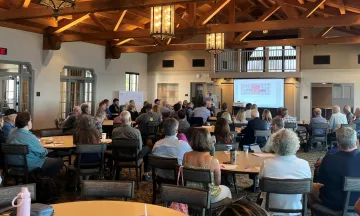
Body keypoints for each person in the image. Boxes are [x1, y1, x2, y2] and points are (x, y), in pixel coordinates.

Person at [259, 130, 311, 215]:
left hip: (270, 211)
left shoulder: (266, 163)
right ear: (296, 145)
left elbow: (261, 186)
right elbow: (306, 190)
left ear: (275, 145)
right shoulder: (305, 164)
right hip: (296, 211)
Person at [310, 127, 360, 212]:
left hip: (333, 203)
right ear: (357, 142)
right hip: (358, 203)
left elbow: (321, 181)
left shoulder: (329, 159)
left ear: (338, 144)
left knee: (309, 188)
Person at [183, 128, 232, 203]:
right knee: (227, 190)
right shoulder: (213, 161)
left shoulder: (186, 156)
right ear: (208, 141)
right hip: (208, 196)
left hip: (190, 194)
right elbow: (217, 183)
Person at [6, 112, 63, 177]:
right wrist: (46, 150)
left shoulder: (11, 132)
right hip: (29, 165)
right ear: (27, 123)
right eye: (30, 120)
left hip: (13, 165)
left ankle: (39, 178)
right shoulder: (30, 137)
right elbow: (42, 153)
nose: (31, 122)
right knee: (59, 161)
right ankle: (42, 180)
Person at [112, 111, 151, 180]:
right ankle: (146, 174)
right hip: (134, 157)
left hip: (119, 157)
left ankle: (116, 173)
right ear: (130, 119)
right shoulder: (136, 131)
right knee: (147, 148)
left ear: (120, 120)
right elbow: (140, 147)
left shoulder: (114, 131)